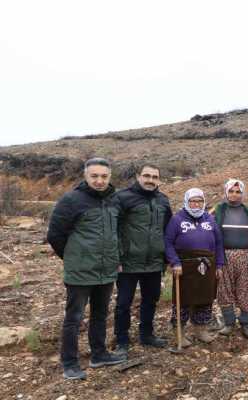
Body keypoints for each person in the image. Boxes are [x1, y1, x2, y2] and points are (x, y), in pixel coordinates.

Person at [47, 157, 127, 380]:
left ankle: (99, 354)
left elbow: (116, 232)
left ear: (109, 177)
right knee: (74, 318)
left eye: (104, 176)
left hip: (106, 270)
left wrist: (116, 256)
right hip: (80, 272)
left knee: (100, 314)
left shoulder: (114, 200)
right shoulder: (71, 200)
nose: (99, 180)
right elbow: (55, 235)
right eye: (94, 176)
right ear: (85, 176)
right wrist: (72, 257)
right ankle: (70, 362)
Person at [113, 164, 172, 357]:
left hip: (154, 262)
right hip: (128, 262)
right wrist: (117, 256)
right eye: (146, 176)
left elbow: (168, 230)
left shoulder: (163, 200)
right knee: (123, 303)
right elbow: (114, 229)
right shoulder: (123, 197)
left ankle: (147, 335)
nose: (150, 180)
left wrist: (166, 257)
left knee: (151, 300)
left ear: (159, 180)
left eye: (155, 177)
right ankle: (122, 340)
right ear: (138, 176)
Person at [164, 188, 225, 346]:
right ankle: (179, 333)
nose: (196, 204)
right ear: (187, 201)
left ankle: (201, 330)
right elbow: (168, 243)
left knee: (205, 298)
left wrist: (219, 264)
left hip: (208, 265)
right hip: (184, 266)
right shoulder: (177, 219)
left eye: (199, 201)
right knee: (183, 300)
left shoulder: (210, 219)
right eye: (193, 201)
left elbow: (218, 243)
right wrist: (175, 262)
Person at [213, 179, 248, 339]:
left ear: (242, 193)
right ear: (226, 192)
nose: (234, 194)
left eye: (238, 191)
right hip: (224, 257)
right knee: (224, 290)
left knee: (245, 290)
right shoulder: (218, 210)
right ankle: (229, 324)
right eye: (231, 191)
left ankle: (246, 324)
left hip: (245, 256)